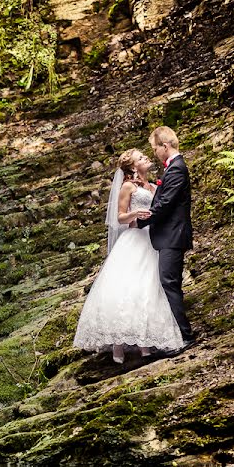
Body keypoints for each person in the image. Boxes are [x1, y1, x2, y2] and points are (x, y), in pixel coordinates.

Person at [73, 148, 184, 363]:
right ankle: (118, 342)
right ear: (133, 167)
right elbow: (119, 218)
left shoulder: (154, 186)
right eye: (141, 158)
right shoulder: (127, 186)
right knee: (128, 287)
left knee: (149, 288)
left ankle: (145, 342)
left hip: (153, 239)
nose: (146, 158)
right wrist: (134, 214)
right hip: (134, 239)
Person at [136, 126, 195, 344]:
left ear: (165, 146)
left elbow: (166, 203)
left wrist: (142, 220)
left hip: (173, 235)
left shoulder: (177, 168)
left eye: (155, 148)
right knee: (170, 282)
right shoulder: (173, 168)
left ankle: (184, 336)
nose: (154, 153)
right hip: (169, 235)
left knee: (168, 282)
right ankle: (179, 334)